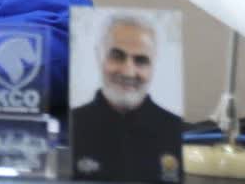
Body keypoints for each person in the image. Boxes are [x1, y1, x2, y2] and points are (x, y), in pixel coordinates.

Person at [69, 16, 182, 182]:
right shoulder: (71, 126)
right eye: (117, 56)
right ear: (99, 56)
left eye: (141, 60)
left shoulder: (176, 131)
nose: (128, 72)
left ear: (153, 65)